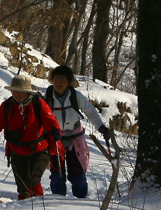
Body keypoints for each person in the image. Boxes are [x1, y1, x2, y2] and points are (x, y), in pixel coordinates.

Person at [0, 73, 62, 200]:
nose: (17, 94)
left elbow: (50, 120)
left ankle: (38, 207)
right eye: (14, 91)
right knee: (22, 186)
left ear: (28, 92)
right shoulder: (7, 106)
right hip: (16, 151)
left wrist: (55, 130)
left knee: (32, 181)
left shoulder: (38, 104)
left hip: (38, 150)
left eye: (21, 91)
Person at [44, 64, 112, 198]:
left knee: (78, 175)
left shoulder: (76, 96)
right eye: (56, 79)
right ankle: (57, 203)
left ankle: (81, 202)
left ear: (68, 82)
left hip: (75, 140)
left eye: (62, 80)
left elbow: (90, 112)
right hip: (55, 140)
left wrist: (101, 128)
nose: (58, 83)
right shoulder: (47, 97)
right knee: (57, 175)